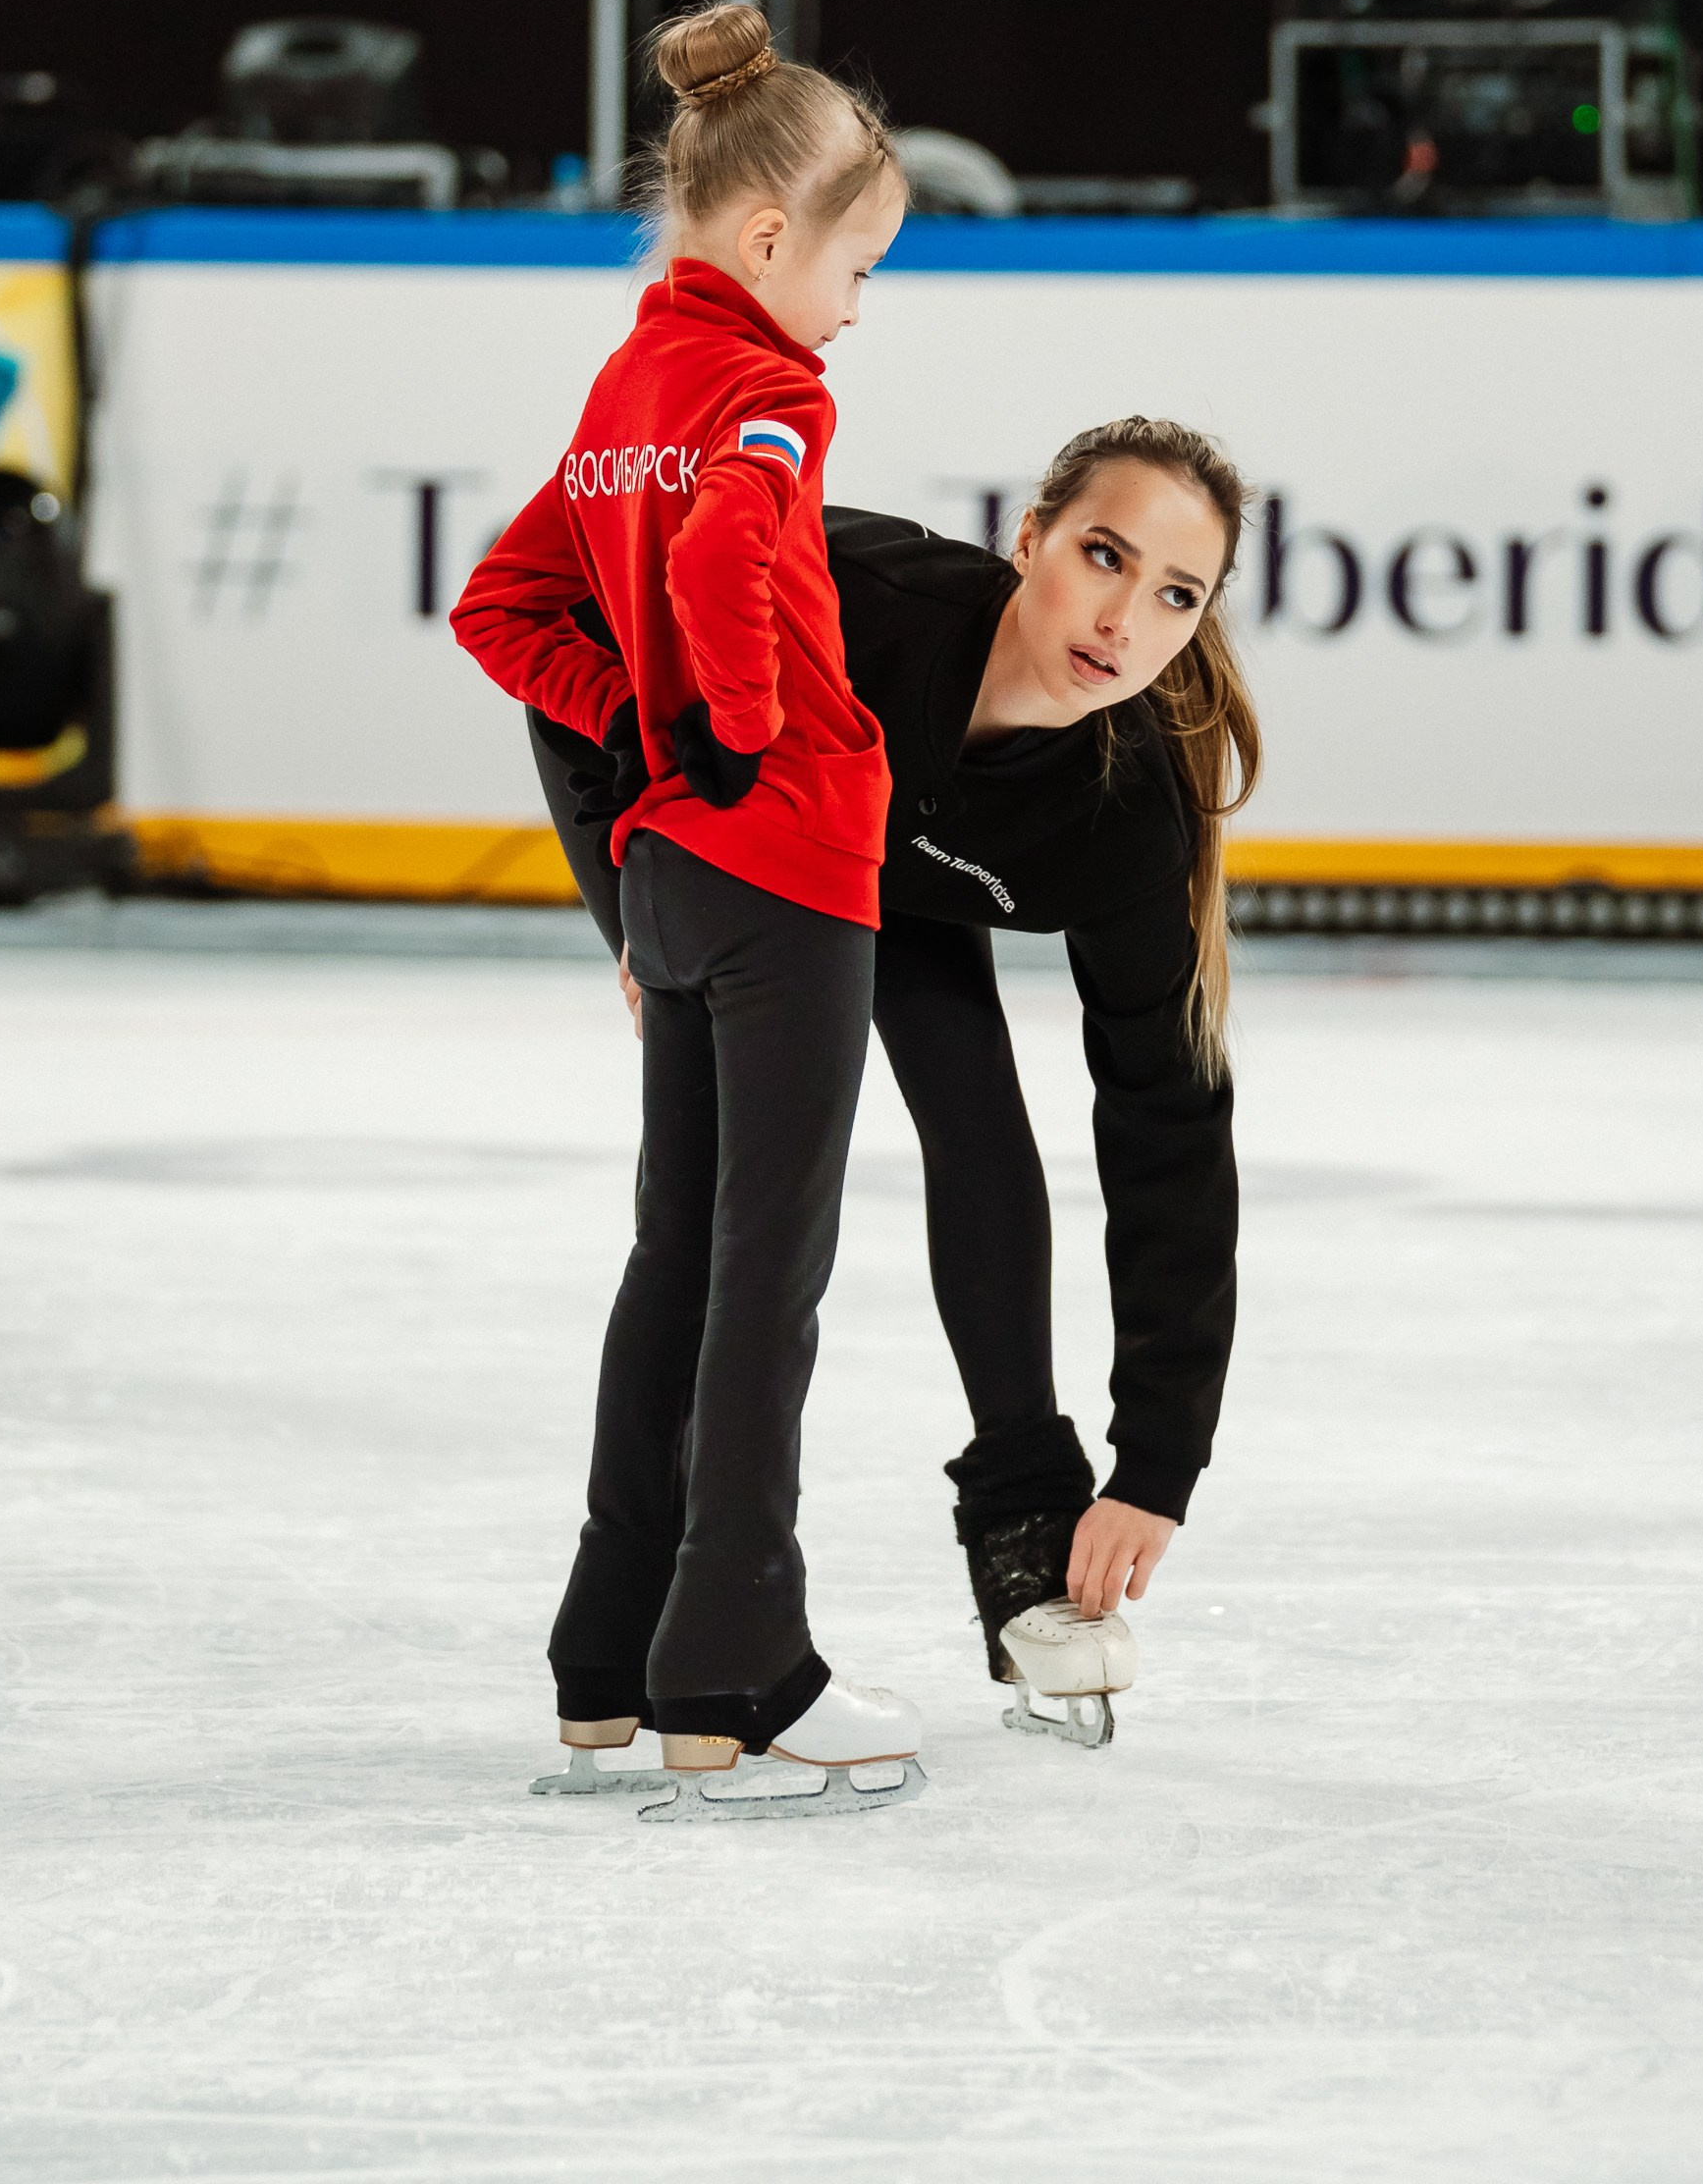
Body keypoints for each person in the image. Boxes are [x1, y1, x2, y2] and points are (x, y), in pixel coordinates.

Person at [534, 413, 1259, 1742]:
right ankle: (641, 1625)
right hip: (788, 836)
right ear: (1027, 538)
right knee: (715, 1222)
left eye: (1175, 594)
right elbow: (583, 623)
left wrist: (1159, 1464)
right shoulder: (858, 597)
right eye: (1102, 555)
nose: (1125, 618)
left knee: (978, 1114)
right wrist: (628, 900)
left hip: (900, 868)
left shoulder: (1124, 811)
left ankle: (1029, 1519)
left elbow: (1170, 1128)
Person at [451, 1, 924, 1822]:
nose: (856, 308)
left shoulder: (622, 396)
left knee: (679, 1252)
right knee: (768, 1271)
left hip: (674, 875)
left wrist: (648, 741)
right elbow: (733, 549)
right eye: (858, 266)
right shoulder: (771, 393)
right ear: (764, 240)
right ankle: (733, 1665)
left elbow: (505, 611)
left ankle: (609, 1649)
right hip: (790, 859)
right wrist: (730, 728)